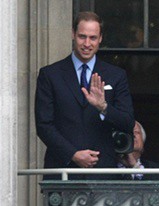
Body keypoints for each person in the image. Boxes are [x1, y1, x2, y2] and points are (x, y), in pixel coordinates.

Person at [35, 11, 134, 180]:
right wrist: (73, 154)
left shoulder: (116, 75)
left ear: (100, 38)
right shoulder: (50, 74)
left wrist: (103, 107)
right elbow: (44, 125)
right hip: (62, 170)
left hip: (102, 172)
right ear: (73, 34)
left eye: (93, 38)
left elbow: (127, 122)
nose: (87, 43)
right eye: (82, 36)